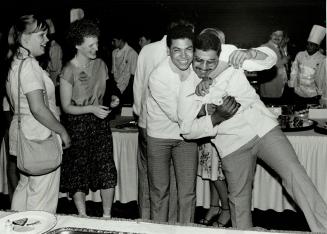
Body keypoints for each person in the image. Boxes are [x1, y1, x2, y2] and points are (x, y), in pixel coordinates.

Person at [178, 32, 327, 232]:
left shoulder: (230, 55)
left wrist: (250, 54)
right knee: (239, 202)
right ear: (192, 56)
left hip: (263, 129)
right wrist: (215, 118)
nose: (203, 68)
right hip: (232, 145)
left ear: (220, 55)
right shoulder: (185, 83)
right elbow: (187, 130)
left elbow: (269, 59)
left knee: (296, 176)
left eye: (210, 63)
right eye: (198, 61)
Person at [133, 21, 277, 222]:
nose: (184, 56)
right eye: (177, 50)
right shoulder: (158, 76)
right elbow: (179, 116)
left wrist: (246, 56)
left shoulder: (197, 67)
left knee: (187, 192)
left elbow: (231, 62)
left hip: (187, 138)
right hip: (160, 136)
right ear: (168, 51)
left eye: (188, 50)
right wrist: (211, 109)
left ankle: (184, 229)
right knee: (160, 191)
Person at [5, 14, 71, 213]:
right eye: (41, 35)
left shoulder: (15, 63)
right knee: (42, 204)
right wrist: (62, 132)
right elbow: (38, 108)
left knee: (25, 188)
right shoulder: (30, 66)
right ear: (24, 38)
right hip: (40, 139)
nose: (47, 39)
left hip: (24, 138)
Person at [59, 19, 119, 217]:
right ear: (78, 45)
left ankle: (107, 216)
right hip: (77, 127)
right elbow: (66, 107)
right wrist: (92, 108)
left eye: (96, 43)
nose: (96, 48)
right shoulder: (68, 70)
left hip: (100, 124)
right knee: (78, 172)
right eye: (91, 45)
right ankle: (82, 216)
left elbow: (109, 90)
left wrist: (112, 99)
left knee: (106, 169)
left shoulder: (101, 64)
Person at [289, 25, 326, 105]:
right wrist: (292, 85)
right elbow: (294, 71)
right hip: (298, 92)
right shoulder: (300, 55)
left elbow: (322, 78)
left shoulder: (322, 59)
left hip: (313, 94)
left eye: (312, 45)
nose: (308, 46)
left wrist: (320, 94)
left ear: (317, 47)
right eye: (308, 44)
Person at [259, 29, 290, 104]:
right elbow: (262, 66)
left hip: (281, 85)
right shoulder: (264, 47)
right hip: (270, 88)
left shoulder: (280, 48)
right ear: (270, 35)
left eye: (280, 35)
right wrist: (282, 62)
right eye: (275, 34)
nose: (277, 37)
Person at [111, 32, 138, 105]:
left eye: (114, 40)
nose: (112, 43)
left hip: (127, 88)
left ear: (120, 40)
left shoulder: (132, 53)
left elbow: (134, 76)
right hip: (115, 86)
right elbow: (113, 71)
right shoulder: (114, 52)